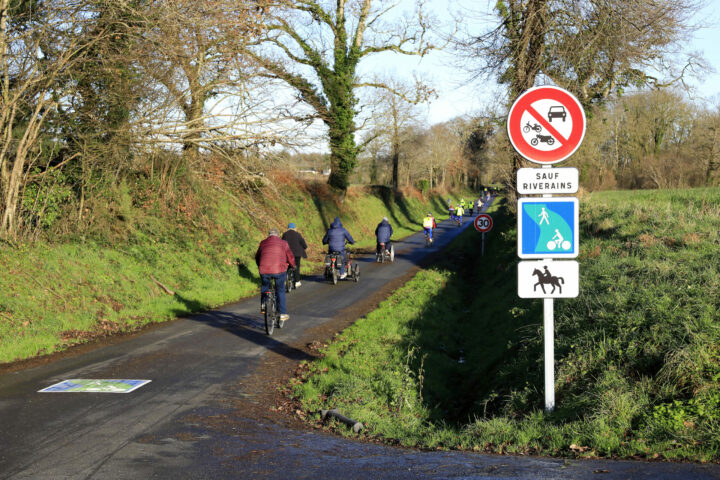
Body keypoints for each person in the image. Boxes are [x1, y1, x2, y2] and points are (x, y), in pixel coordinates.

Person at [255, 228, 295, 323]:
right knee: (280, 290)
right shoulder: (283, 243)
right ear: (278, 235)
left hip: (264, 269)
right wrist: (293, 265)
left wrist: (260, 265)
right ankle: (282, 314)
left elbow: (257, 256)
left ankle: (263, 305)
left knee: (265, 286)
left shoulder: (263, 243)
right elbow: (290, 256)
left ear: (269, 235)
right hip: (279, 270)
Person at [282, 222, 308, 288]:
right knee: (297, 266)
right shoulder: (298, 234)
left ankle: (286, 279)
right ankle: (297, 281)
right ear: (294, 228)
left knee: (288, 266)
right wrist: (305, 247)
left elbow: (282, 243)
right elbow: (303, 244)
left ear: (288, 228)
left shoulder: (285, 234)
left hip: (287, 254)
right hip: (297, 254)